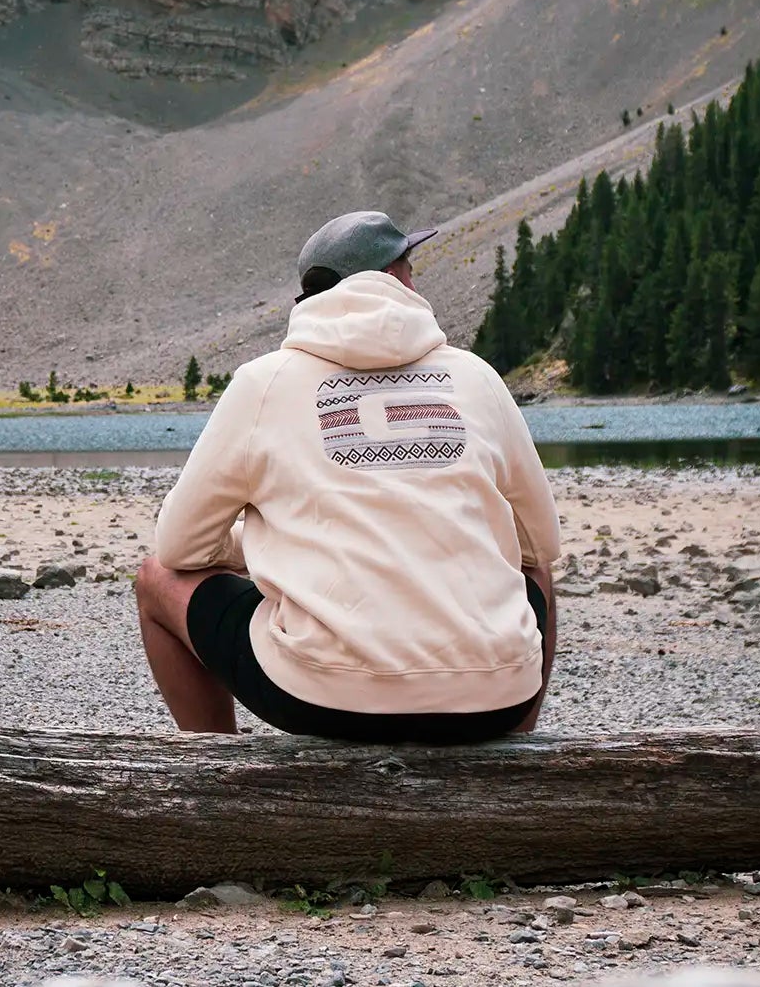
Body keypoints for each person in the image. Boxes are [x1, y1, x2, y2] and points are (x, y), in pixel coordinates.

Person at [135, 209, 560, 742]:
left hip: (319, 697)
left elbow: (179, 550)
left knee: (156, 579)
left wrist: (275, 539)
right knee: (537, 573)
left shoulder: (264, 384)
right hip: (496, 699)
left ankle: (218, 777)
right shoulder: (475, 376)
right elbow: (540, 542)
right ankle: (510, 762)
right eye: (410, 263)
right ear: (397, 278)